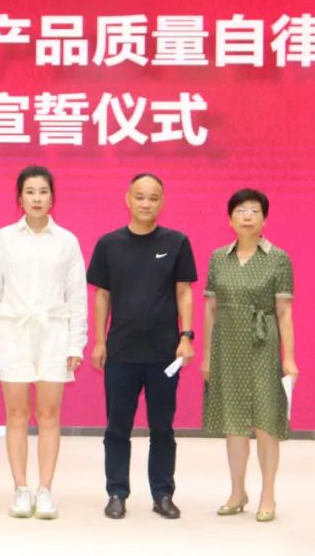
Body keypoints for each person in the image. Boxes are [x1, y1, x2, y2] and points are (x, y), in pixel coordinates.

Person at [0, 166, 86, 520]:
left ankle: (45, 489)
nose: (37, 198)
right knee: (17, 415)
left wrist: (76, 344)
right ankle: (21, 488)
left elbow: (77, 297)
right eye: (30, 192)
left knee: (49, 415)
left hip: (54, 335)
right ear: (19, 198)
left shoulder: (67, 241)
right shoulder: (4, 239)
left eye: (43, 191)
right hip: (12, 335)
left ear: (52, 197)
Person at [86, 172, 197, 520]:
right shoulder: (109, 244)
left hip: (164, 353)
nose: (146, 203)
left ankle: (162, 494)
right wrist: (99, 341)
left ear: (162, 202)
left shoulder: (177, 242)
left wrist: (186, 336)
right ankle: (116, 493)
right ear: (128, 199)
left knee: (162, 428)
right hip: (121, 352)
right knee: (117, 427)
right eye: (140, 197)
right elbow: (102, 295)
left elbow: (184, 292)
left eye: (153, 198)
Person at [201, 188, 297, 523]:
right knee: (234, 423)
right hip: (227, 345)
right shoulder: (218, 257)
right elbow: (210, 309)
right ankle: (237, 492)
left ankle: (267, 493)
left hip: (262, 345)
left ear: (264, 219)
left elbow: (284, 313)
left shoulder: (278, 258)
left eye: (255, 211)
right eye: (240, 211)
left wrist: (289, 357)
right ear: (230, 219)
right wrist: (206, 356)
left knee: (266, 422)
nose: (247, 217)